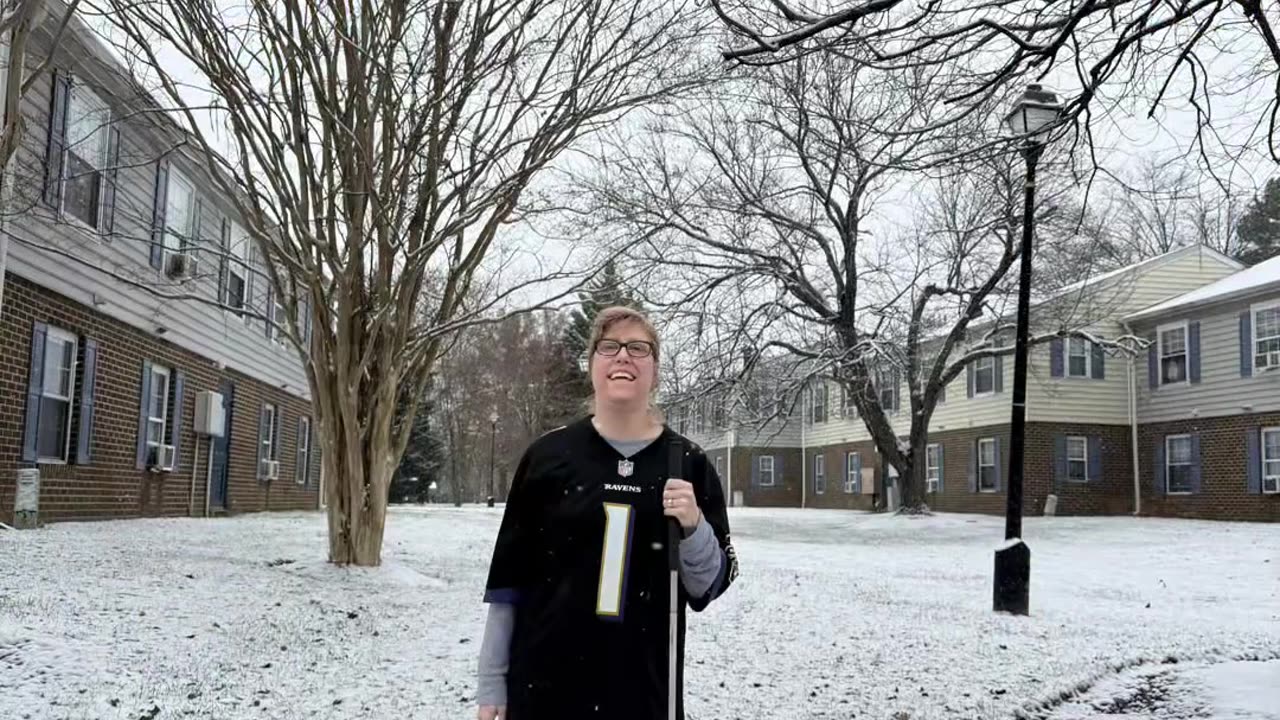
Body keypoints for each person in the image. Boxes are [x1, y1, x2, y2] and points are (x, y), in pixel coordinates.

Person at [476, 306, 738, 720]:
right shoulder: (547, 457)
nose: (623, 357)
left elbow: (707, 585)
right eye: (609, 346)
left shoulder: (687, 463)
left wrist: (695, 527)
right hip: (545, 688)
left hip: (644, 693)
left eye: (639, 348)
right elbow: (510, 581)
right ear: (592, 363)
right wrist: (492, 683)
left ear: (655, 368)